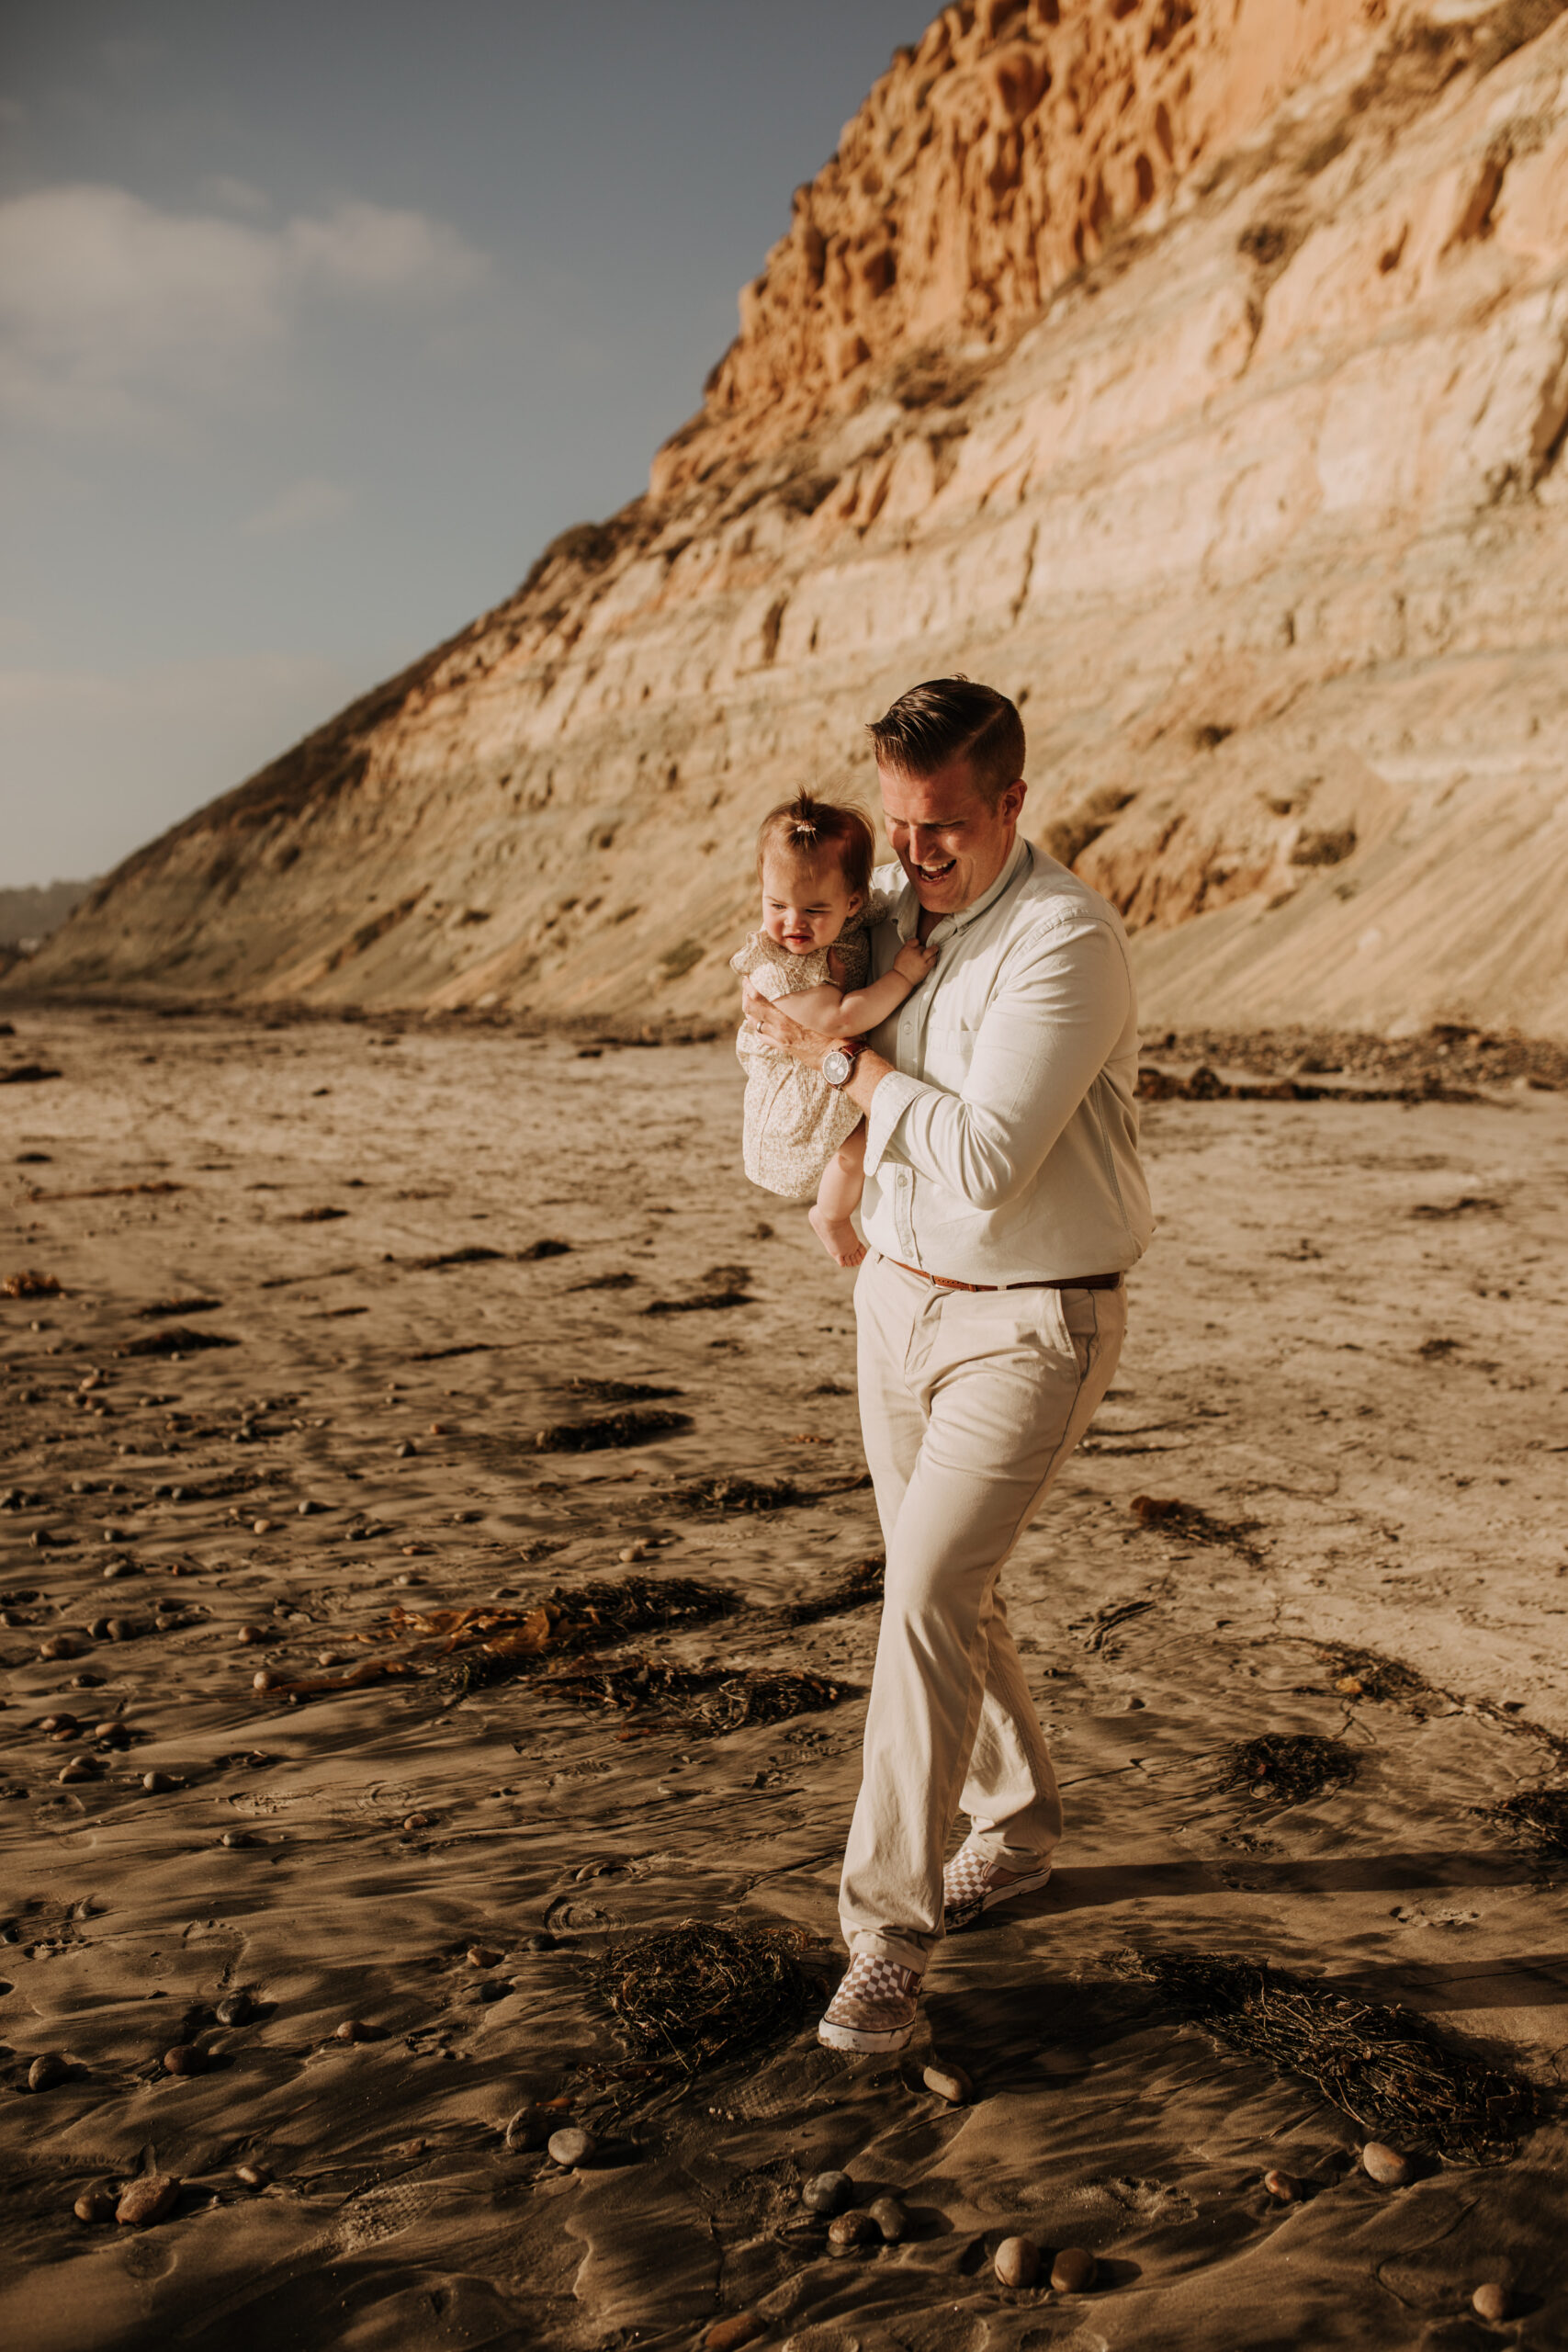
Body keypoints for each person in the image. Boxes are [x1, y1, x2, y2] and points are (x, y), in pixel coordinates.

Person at [740, 677, 1153, 2054]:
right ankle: (1019, 1826)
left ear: (1012, 804)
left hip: (1029, 1321)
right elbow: (795, 1096)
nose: (915, 862)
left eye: (943, 833)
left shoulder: (1061, 940)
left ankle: (880, 1939)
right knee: (950, 1595)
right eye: (900, 830)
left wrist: (844, 1071)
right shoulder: (889, 923)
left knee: (919, 1592)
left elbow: (982, 1164)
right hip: (893, 1306)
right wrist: (800, 1063)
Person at [730, 791, 939, 1266]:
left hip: (835, 1066)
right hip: (800, 1078)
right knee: (855, 1149)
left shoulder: (856, 916)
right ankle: (831, 1216)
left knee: (861, 1140)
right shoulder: (776, 965)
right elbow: (839, 1019)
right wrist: (902, 976)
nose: (793, 923)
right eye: (776, 904)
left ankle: (835, 1212)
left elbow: (886, 901)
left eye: (814, 911)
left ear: (851, 902)